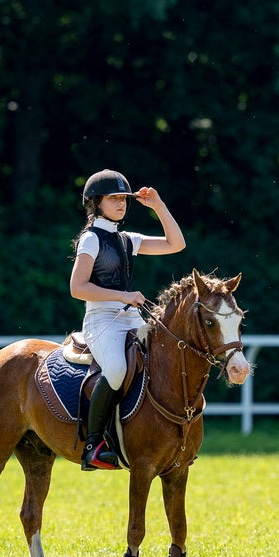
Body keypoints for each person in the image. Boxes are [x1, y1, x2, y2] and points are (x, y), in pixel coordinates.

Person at [69, 169, 186, 470]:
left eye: (124, 199)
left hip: (132, 318)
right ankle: (93, 445)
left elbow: (176, 244)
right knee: (118, 368)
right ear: (96, 202)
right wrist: (123, 296)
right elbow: (77, 288)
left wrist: (158, 205)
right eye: (114, 198)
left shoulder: (126, 239)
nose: (121, 204)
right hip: (101, 321)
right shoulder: (90, 240)